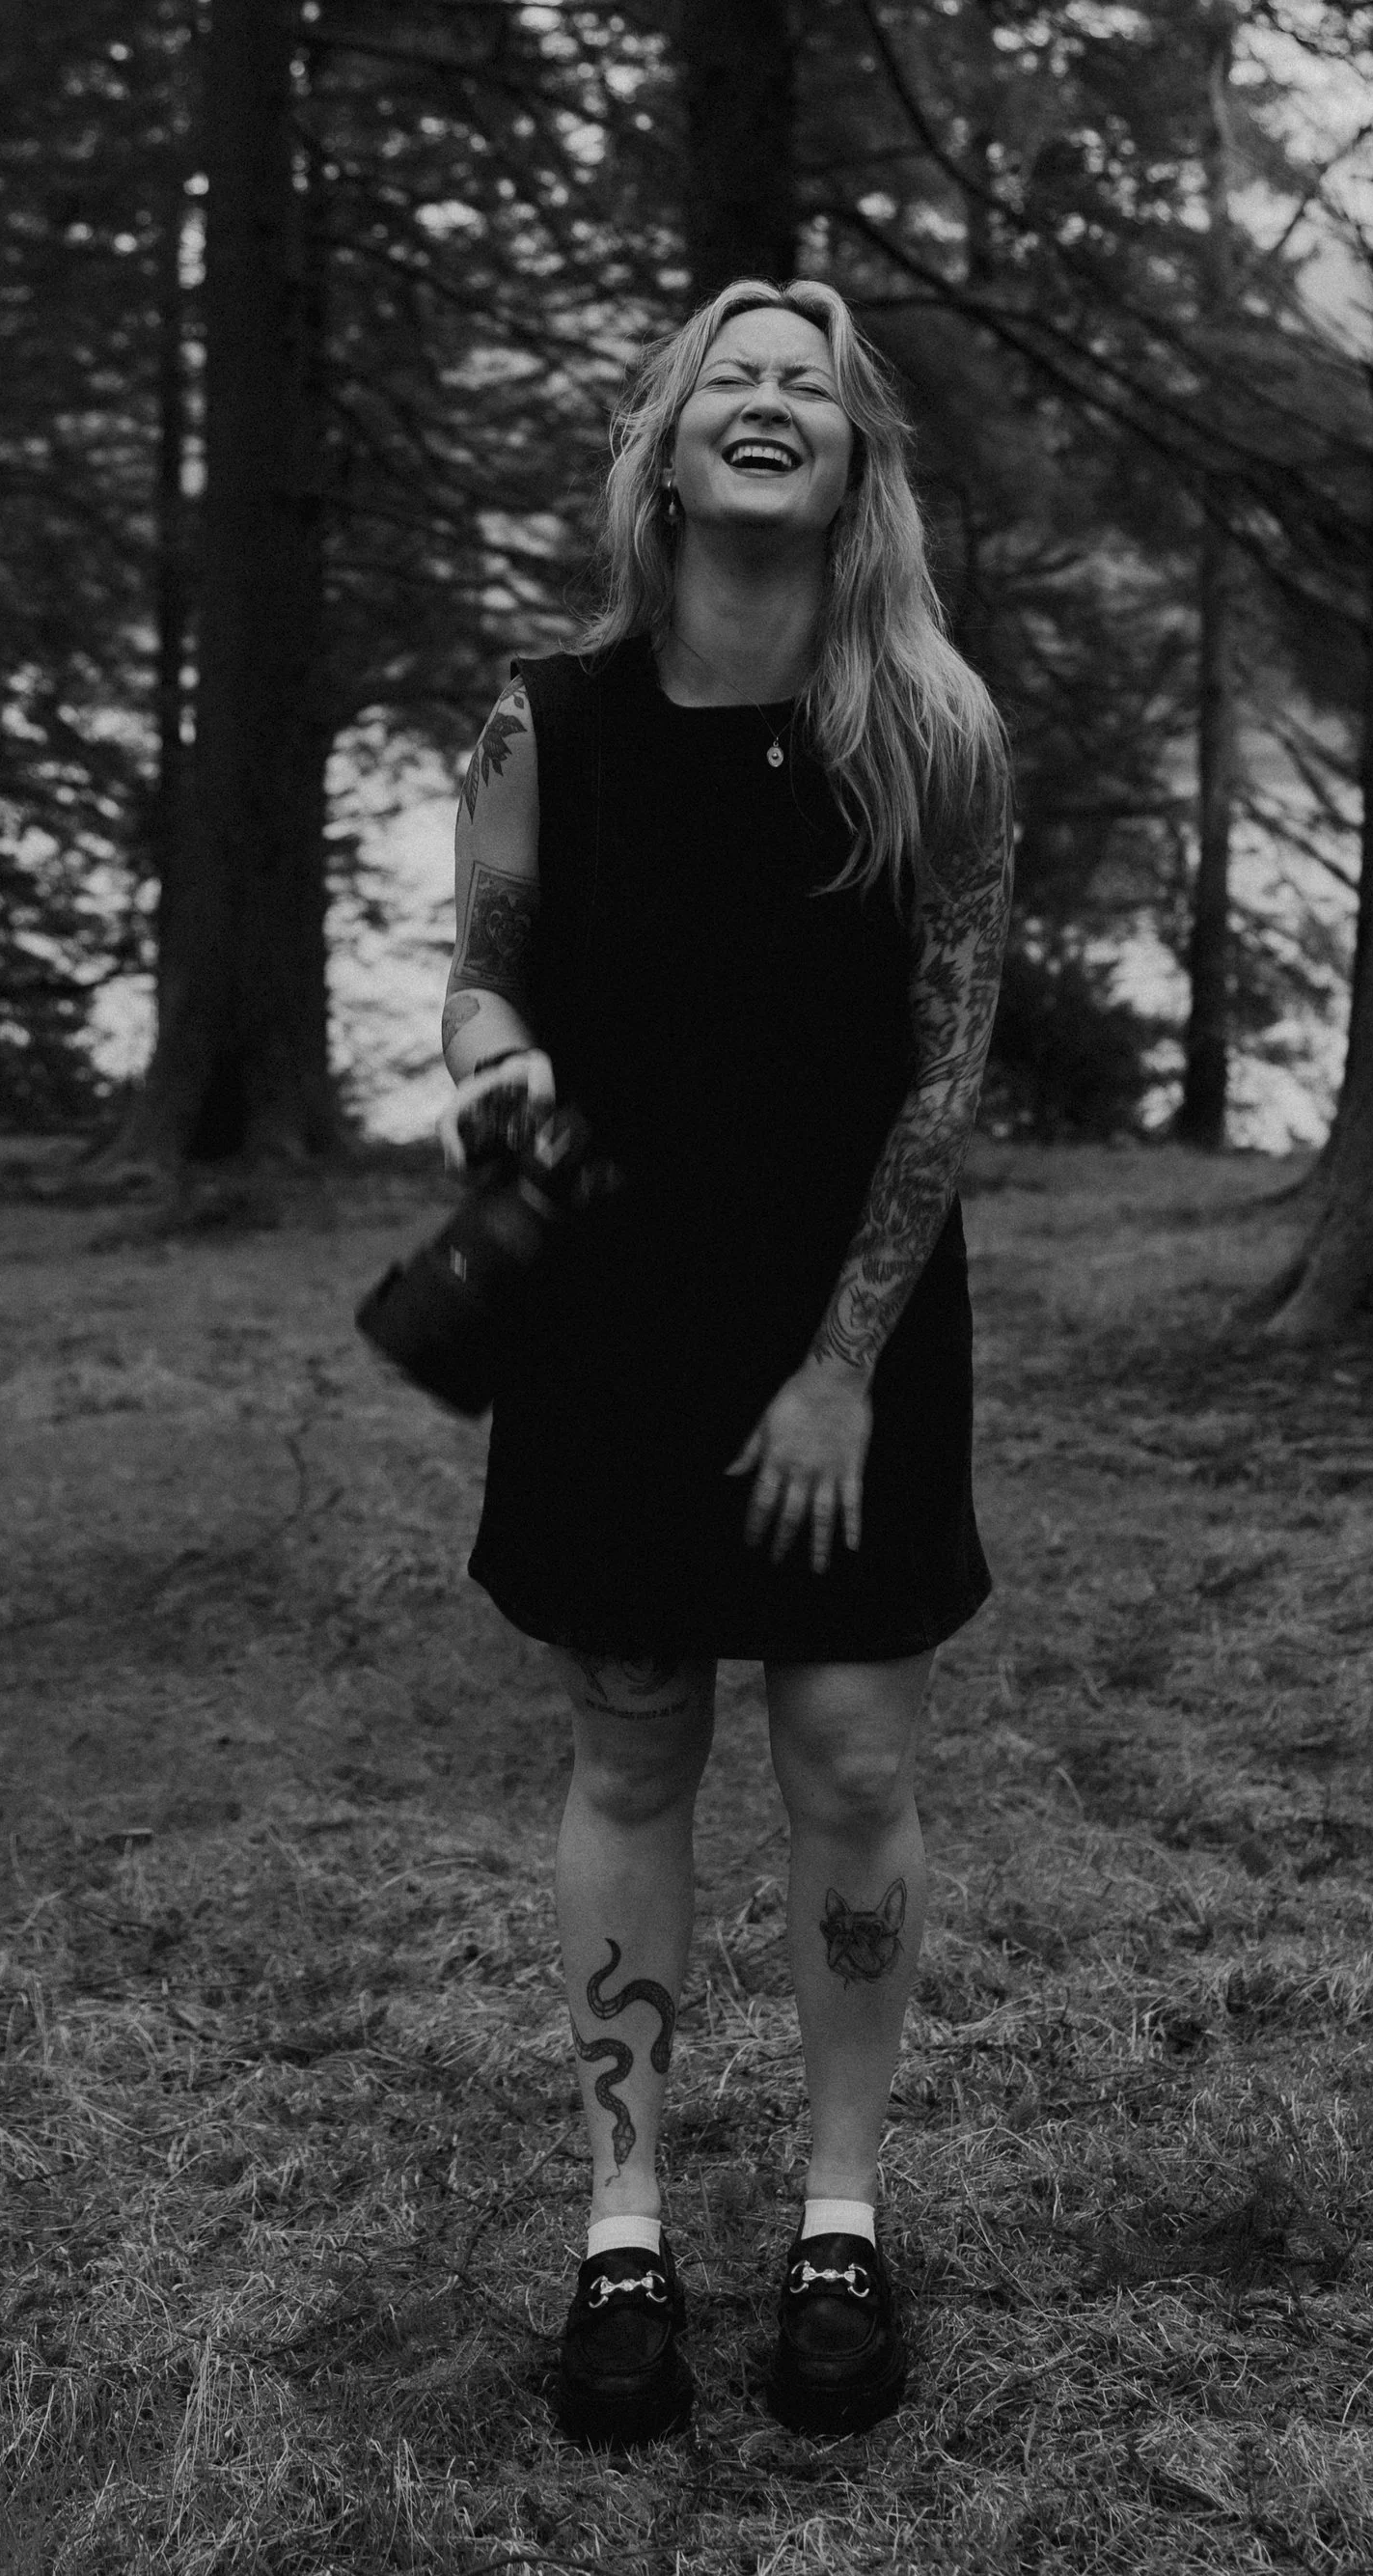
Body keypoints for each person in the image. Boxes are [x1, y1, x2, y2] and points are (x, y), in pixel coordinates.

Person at [436, 277, 1011, 2448]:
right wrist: (493, 1071)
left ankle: (839, 2215)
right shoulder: (541, 725)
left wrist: (840, 1363)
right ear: (664, 458)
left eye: (809, 393)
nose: (764, 408)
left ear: (852, 471)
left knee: (851, 1752)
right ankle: (621, 2228)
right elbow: (476, 988)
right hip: (608, 1307)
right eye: (723, 386)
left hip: (845, 1318)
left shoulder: (928, 736)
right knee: (629, 1732)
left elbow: (941, 1091)